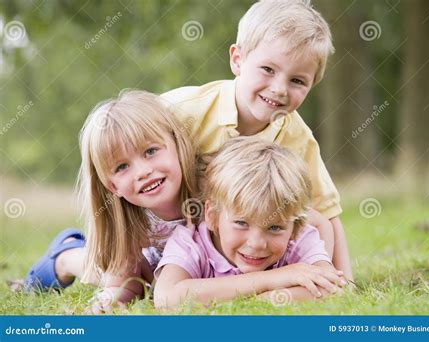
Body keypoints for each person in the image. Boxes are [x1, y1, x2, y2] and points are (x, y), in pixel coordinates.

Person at [161, 0, 352, 279]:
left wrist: (344, 278)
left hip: (228, 237)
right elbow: (118, 150)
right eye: (268, 69)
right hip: (164, 226)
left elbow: (326, 212)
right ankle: (73, 255)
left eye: (297, 81)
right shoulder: (183, 112)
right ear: (237, 59)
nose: (279, 89)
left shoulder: (297, 137)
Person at [24, 90, 198, 311]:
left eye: (151, 151)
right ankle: (66, 255)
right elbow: (123, 286)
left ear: (176, 144)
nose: (143, 172)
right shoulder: (130, 219)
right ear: (112, 186)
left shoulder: (209, 189)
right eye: (122, 167)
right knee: (109, 274)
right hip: (146, 266)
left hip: (177, 268)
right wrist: (110, 301)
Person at [154, 137, 346, 308]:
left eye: (274, 227)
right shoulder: (190, 243)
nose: (256, 243)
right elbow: (167, 297)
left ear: (295, 229)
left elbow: (331, 290)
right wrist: (273, 279)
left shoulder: (300, 239)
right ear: (212, 217)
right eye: (241, 223)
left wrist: (253, 302)